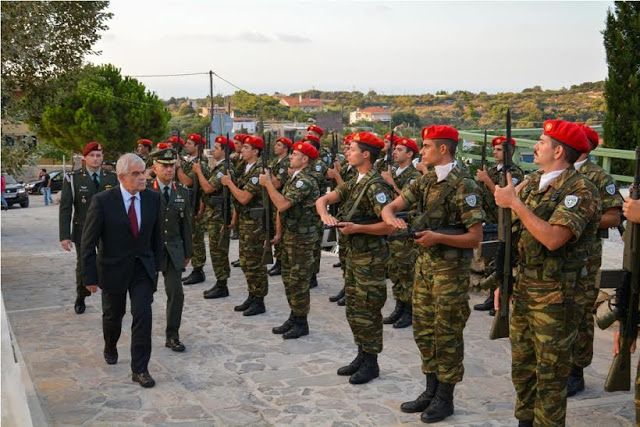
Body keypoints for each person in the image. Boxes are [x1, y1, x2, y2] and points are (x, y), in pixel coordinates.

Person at [493, 120, 600, 426]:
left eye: (541, 141)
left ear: (558, 150)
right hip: (527, 289)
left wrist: (515, 203)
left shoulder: (580, 190)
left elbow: (553, 238)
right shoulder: (536, 182)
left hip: (558, 297)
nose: (535, 146)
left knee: (551, 379)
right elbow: (516, 237)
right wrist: (504, 280)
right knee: (523, 369)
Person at [382, 125, 485, 423]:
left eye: (426, 146)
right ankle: (430, 389)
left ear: (443, 149)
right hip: (425, 268)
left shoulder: (463, 184)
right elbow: (394, 205)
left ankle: (445, 396)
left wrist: (439, 238)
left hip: (449, 272)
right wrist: (390, 216)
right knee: (424, 330)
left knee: (447, 333)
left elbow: (475, 237)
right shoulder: (426, 180)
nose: (421, 150)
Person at [316, 131, 395, 385]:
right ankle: (361, 353)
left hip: (369, 259)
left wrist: (359, 228)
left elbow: (390, 225)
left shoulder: (376, 186)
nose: (347, 152)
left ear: (366, 154)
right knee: (354, 309)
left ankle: (371, 362)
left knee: (368, 311)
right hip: (353, 256)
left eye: (352, 149)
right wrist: (325, 213)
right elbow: (325, 198)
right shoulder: (355, 179)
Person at [81, 153, 162, 388]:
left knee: (143, 316)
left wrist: (156, 269)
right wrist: (89, 277)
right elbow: (88, 243)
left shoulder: (153, 199)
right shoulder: (103, 201)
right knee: (113, 316)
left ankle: (140, 369)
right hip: (113, 269)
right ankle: (110, 344)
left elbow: (157, 238)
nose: (142, 178)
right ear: (121, 177)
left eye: (143, 172)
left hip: (142, 270)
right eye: (135, 174)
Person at [566, 124, 624, 397]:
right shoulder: (556, 173)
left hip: (585, 256)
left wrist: (574, 222)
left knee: (580, 312)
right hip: (557, 256)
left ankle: (576, 371)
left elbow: (614, 217)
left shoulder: (599, 176)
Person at [260, 142, 320, 339]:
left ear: (305, 160)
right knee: (289, 279)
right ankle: (294, 316)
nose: (291, 157)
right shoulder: (294, 179)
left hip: (302, 239)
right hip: (289, 237)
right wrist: (278, 234)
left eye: (295, 154)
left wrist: (268, 183)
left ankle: (301, 322)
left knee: (299, 281)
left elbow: (282, 204)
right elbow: (281, 211)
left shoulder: (305, 181)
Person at [59, 142, 118, 314]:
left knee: (108, 263)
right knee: (84, 264)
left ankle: (110, 297)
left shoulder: (112, 178)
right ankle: (81, 295)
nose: (95, 158)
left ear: (103, 157)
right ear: (85, 158)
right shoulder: (73, 179)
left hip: (107, 230)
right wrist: (64, 235)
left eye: (99, 155)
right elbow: (65, 208)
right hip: (82, 229)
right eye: (92, 155)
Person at [148, 144, 192, 352]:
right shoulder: (145, 191)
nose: (168, 170)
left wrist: (188, 252)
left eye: (172, 165)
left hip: (174, 251)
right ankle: (142, 334)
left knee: (176, 294)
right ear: (154, 167)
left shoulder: (182, 192)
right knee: (145, 295)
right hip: (149, 251)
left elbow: (187, 225)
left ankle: (172, 335)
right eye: (164, 165)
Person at [474, 136, 525, 315]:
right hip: (488, 221)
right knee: (490, 264)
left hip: (502, 223)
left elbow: (505, 197)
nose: (495, 152)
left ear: (509, 151)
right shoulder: (493, 171)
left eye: (499, 149)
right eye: (494, 149)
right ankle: (491, 297)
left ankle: (501, 299)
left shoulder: (515, 173)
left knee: (501, 264)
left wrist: (487, 180)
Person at [221, 135, 269, 316]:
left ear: (256, 151)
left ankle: (259, 299)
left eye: (247, 148)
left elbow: (243, 197)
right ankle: (252, 294)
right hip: (245, 221)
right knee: (246, 262)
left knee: (255, 262)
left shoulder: (258, 171)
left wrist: (229, 183)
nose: (242, 150)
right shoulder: (246, 167)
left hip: (255, 224)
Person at [380, 137, 421, 329]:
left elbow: (407, 202)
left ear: (410, 154)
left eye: (400, 150)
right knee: (395, 271)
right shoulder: (393, 171)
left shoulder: (413, 176)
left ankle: (409, 311)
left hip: (406, 231)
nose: (394, 152)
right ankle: (399, 306)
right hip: (392, 231)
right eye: (394, 149)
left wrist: (391, 183)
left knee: (406, 272)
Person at [193, 135, 235, 299]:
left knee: (219, 250)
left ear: (224, 151)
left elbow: (208, 188)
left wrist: (198, 172)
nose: (213, 150)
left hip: (220, 216)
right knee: (215, 249)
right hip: (213, 215)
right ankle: (220, 282)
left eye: (217, 148)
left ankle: (222, 284)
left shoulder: (224, 169)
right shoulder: (217, 168)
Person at [325, 134, 357, 305]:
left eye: (350, 148)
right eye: (346, 148)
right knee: (344, 258)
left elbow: (351, 194)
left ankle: (350, 290)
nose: (347, 152)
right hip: (344, 214)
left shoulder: (360, 171)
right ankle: (346, 287)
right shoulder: (349, 167)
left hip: (354, 218)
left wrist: (337, 175)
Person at [176, 133, 209, 285]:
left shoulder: (200, 162)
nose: (186, 145)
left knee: (196, 239)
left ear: (197, 147)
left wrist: (178, 169)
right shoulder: (188, 161)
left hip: (196, 206)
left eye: (189, 143)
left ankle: (198, 270)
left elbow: (187, 181)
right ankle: (194, 268)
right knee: (189, 237)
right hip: (185, 204)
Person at [303, 134, 328, 289]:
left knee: (314, 243)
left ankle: (313, 274)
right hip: (307, 207)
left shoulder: (318, 164)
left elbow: (317, 179)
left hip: (315, 208)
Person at [267, 136, 292, 277]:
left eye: (278, 145)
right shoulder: (276, 162)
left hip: (282, 200)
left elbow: (277, 184)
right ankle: (278, 260)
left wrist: (268, 174)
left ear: (285, 149)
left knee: (280, 232)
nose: (275, 147)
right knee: (275, 231)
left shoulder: (286, 163)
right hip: (273, 200)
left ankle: (281, 262)